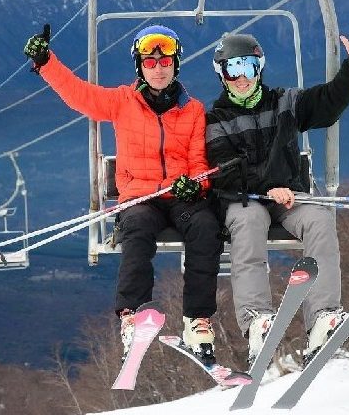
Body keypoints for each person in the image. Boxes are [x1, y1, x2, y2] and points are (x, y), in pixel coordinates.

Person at [24, 24, 223, 363]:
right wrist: (46, 62)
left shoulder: (192, 110)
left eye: (165, 62)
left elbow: (198, 160)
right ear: (140, 67)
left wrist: (198, 183)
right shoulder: (121, 102)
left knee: (205, 227)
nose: (158, 69)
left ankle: (197, 320)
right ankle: (133, 315)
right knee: (137, 231)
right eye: (150, 62)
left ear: (176, 64)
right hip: (140, 196)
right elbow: (78, 94)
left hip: (179, 194)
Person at [205, 32, 349, 364]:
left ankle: (322, 317)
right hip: (242, 199)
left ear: (259, 68)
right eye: (232, 70)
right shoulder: (215, 121)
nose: (241, 77)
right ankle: (257, 318)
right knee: (249, 221)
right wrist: (268, 186)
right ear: (222, 74)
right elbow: (224, 171)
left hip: (288, 198)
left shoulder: (284, 102)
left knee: (319, 219)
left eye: (248, 66)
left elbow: (327, 104)